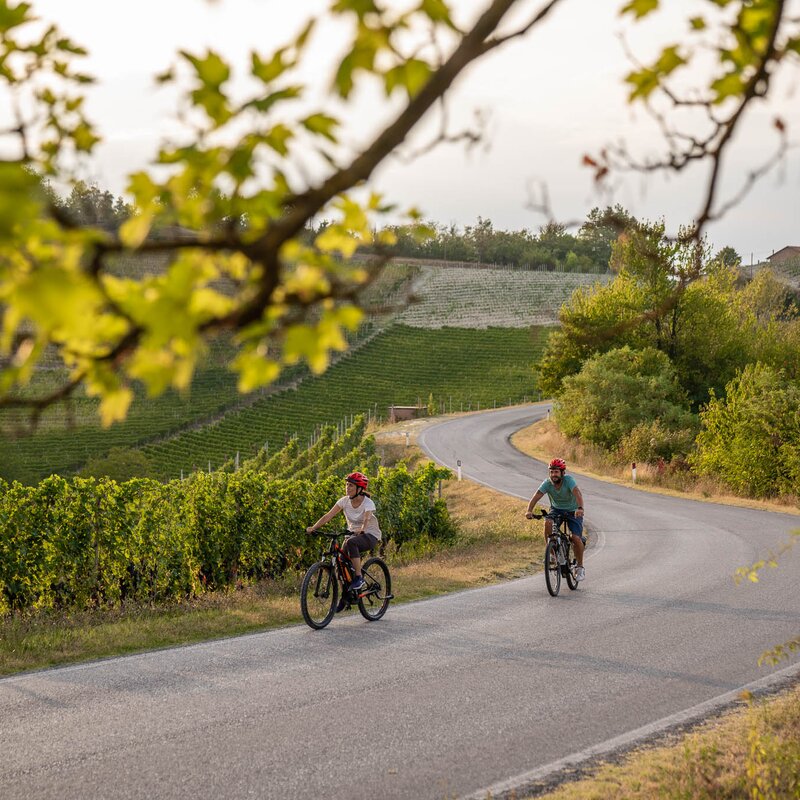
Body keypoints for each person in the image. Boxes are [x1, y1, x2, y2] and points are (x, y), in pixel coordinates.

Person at [306, 471, 382, 609]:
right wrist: (314, 527)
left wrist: (362, 529)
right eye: (347, 485)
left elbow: (367, 518)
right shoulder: (344, 501)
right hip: (352, 535)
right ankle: (346, 596)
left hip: (369, 535)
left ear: (359, 489)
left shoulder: (368, 502)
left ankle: (359, 578)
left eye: (351, 485)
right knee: (340, 563)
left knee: (350, 543)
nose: (347, 488)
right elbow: (328, 516)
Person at [525, 458, 586, 581]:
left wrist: (580, 508)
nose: (554, 475)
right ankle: (552, 554)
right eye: (551, 472)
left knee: (575, 538)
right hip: (556, 510)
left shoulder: (568, 480)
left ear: (562, 473)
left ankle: (579, 568)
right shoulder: (547, 483)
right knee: (548, 522)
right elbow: (536, 495)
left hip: (573, 511)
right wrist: (529, 510)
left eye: (556, 472)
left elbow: (577, 493)